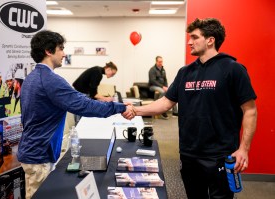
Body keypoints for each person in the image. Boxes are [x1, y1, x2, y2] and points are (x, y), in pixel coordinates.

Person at [130, 18, 257, 199]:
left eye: (194, 37)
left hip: (220, 154)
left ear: (210, 40)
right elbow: (166, 103)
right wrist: (135, 110)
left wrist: (244, 149)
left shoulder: (233, 69)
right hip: (189, 153)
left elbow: (250, 111)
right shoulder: (185, 72)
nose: (189, 42)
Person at [17, 30, 134, 199]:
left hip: (33, 150)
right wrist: (120, 108)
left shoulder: (32, 77)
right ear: (49, 51)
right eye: (61, 48)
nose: (64, 54)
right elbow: (85, 105)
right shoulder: (50, 79)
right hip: (39, 155)